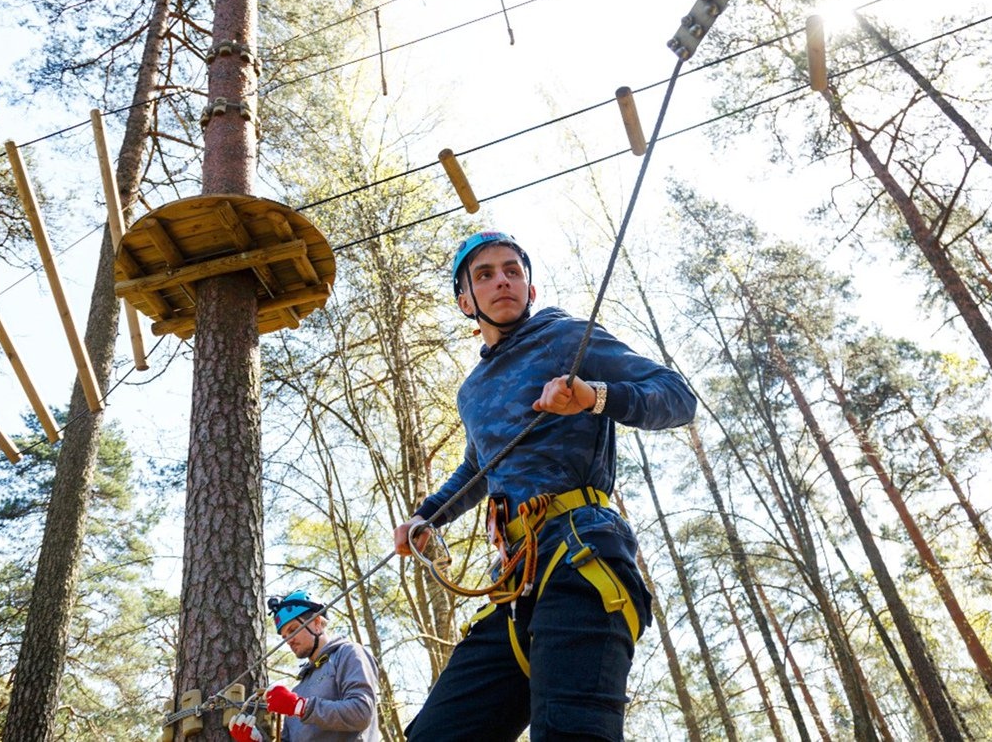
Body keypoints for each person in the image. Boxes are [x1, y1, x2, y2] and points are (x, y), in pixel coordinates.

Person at [393, 230, 696, 741]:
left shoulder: (566, 338)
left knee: (568, 732)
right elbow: (480, 468)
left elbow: (676, 396)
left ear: (530, 289)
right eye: (485, 275)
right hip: (514, 576)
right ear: (466, 300)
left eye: (513, 270)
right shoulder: (473, 391)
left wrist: (593, 396)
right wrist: (428, 516)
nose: (502, 281)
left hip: (581, 549)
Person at [229, 589, 380, 742]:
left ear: (317, 623)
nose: (289, 640)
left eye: (293, 630)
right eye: (285, 636)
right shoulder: (298, 690)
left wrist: (300, 707)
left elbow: (362, 712)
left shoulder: (348, 653)